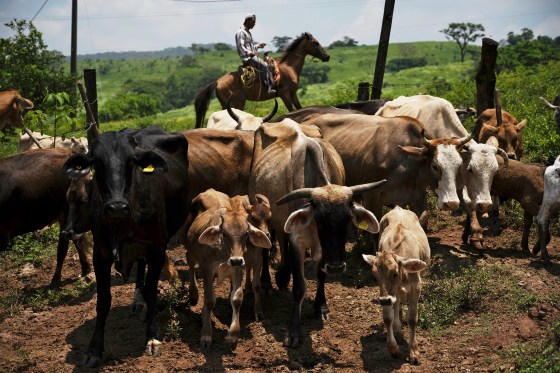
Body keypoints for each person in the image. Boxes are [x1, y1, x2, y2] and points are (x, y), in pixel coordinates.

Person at [235, 14, 276, 95]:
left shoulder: (248, 32)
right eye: (253, 22)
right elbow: (240, 46)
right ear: (248, 21)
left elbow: (250, 47)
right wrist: (249, 53)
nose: (254, 24)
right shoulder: (240, 32)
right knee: (264, 65)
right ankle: (268, 88)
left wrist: (258, 46)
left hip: (251, 56)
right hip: (247, 58)